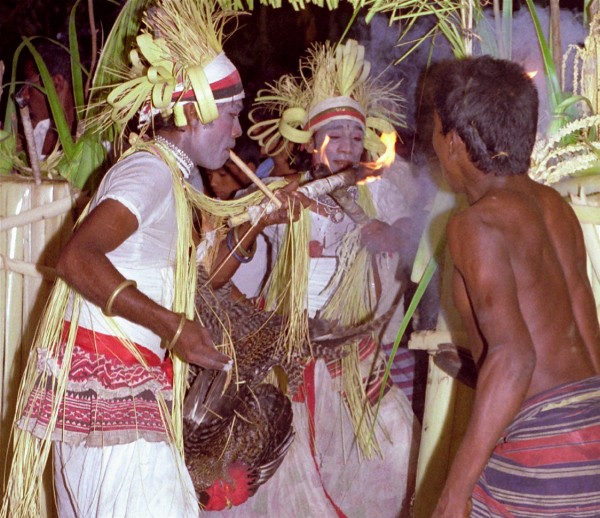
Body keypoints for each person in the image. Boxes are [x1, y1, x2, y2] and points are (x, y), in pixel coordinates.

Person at [2, 2, 301, 517]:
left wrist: (262, 218)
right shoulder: (150, 172)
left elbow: (188, 275)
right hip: (119, 417)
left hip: (121, 405)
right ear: (190, 112)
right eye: (230, 115)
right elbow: (78, 258)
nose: (237, 133)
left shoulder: (172, 176)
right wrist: (172, 326)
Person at [222, 39, 419, 517]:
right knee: (280, 460)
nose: (348, 147)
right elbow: (230, 250)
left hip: (351, 350)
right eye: (335, 136)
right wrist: (263, 221)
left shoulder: (380, 194)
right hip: (286, 349)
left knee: (392, 443)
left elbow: (416, 224)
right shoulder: (279, 196)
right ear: (311, 144)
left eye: (355, 136)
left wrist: (389, 233)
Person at [429, 55, 600, 517]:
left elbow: (514, 356)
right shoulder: (554, 207)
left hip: (545, 448)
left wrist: (453, 494)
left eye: (435, 130)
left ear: (455, 143)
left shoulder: (475, 224)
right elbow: (586, 327)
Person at [17, 40, 75, 159]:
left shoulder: (92, 140)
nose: (24, 95)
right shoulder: (36, 132)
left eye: (30, 85)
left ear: (56, 83)